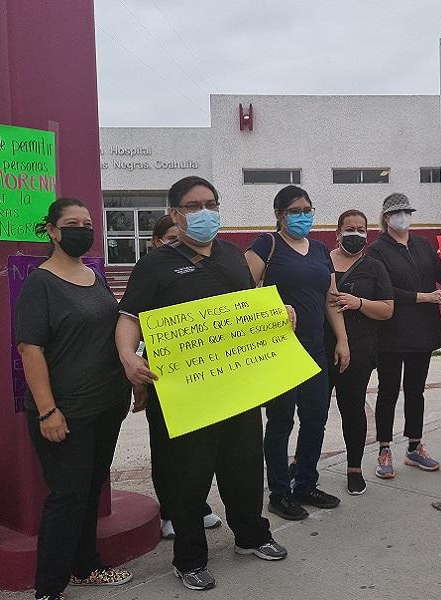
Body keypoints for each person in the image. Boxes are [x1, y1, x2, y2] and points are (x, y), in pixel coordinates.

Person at [116, 176, 287, 591]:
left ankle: (251, 536)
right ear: (175, 214)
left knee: (244, 466)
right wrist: (128, 357)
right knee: (186, 477)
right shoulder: (154, 265)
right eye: (193, 206)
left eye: (211, 203)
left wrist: (279, 313)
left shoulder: (232, 256)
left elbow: (248, 308)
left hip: (236, 388)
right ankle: (189, 558)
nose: (204, 212)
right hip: (183, 393)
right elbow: (129, 319)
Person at [15, 198, 133, 600]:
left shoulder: (94, 276)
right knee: (67, 496)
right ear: (52, 230)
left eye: (87, 223)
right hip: (65, 413)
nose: (82, 230)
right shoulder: (40, 284)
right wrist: (48, 411)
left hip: (106, 405)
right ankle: (49, 589)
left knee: (90, 489)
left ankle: (85, 566)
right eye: (72, 223)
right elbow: (30, 350)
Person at [245, 185, 350, 520]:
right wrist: (275, 309)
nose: (303, 216)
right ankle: (279, 493)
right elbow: (241, 295)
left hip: (315, 350)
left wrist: (342, 340)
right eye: (295, 211)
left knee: (316, 419)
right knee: (280, 422)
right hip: (279, 353)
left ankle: (306, 484)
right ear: (279, 214)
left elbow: (330, 299)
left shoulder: (319, 250)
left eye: (307, 210)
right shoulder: (266, 245)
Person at [140, 213, 223, 540]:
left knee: (199, 450)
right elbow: (133, 321)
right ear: (156, 242)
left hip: (201, 375)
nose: (178, 246)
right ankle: (169, 512)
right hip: (164, 375)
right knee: (167, 449)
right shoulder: (150, 270)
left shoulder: (205, 269)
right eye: (171, 240)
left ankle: (196, 505)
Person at [367, 193, 441, 479]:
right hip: (391, 332)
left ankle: (414, 445)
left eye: (407, 212)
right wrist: (424, 297)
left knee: (416, 391)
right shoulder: (377, 250)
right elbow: (384, 290)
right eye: (397, 213)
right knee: (388, 391)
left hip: (422, 332)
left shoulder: (422, 245)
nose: (403, 218)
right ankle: (384, 448)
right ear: (386, 217)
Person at [326, 210, 393, 495]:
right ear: (337, 233)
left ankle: (354, 468)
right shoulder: (322, 261)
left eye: (361, 229)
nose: (355, 234)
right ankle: (304, 466)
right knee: (313, 412)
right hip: (320, 346)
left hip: (359, 349)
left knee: (352, 407)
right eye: (349, 229)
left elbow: (387, 309)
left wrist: (359, 302)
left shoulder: (374, 267)